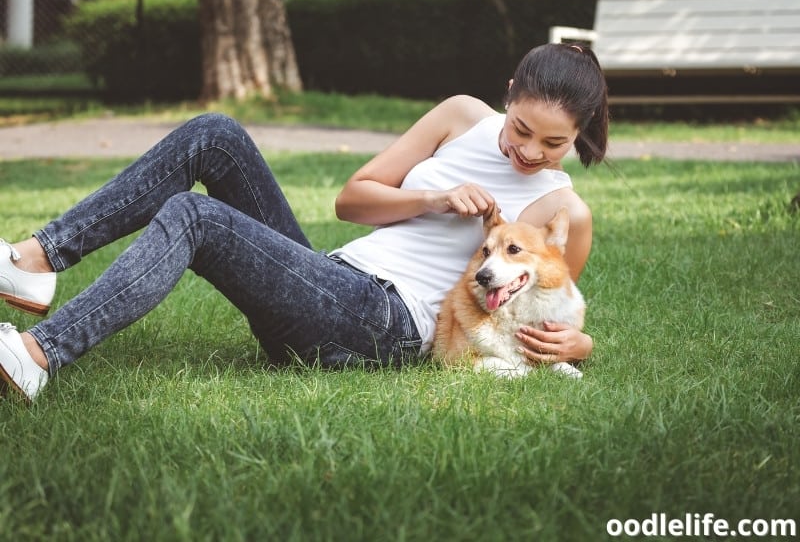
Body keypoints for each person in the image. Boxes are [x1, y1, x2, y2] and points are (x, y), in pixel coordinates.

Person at [0, 43, 608, 402]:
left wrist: (579, 346)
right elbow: (351, 201)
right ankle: (36, 260)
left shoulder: (562, 208)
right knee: (215, 134)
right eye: (521, 130)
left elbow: (536, 317)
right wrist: (434, 199)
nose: (529, 151)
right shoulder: (461, 116)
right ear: (507, 96)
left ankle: (36, 355)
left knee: (194, 216)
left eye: (553, 143)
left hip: (388, 326)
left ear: (579, 134)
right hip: (336, 280)